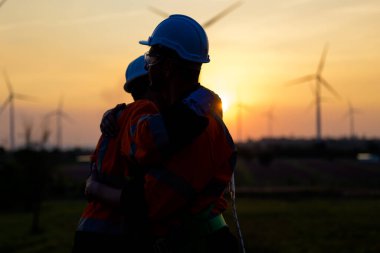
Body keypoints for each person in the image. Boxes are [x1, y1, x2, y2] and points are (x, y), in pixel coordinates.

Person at [89, 14, 239, 253]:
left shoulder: (195, 127)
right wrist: (117, 114)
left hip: (202, 245)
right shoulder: (176, 120)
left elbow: (149, 204)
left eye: (151, 58)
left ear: (167, 68)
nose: (147, 65)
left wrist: (96, 189)